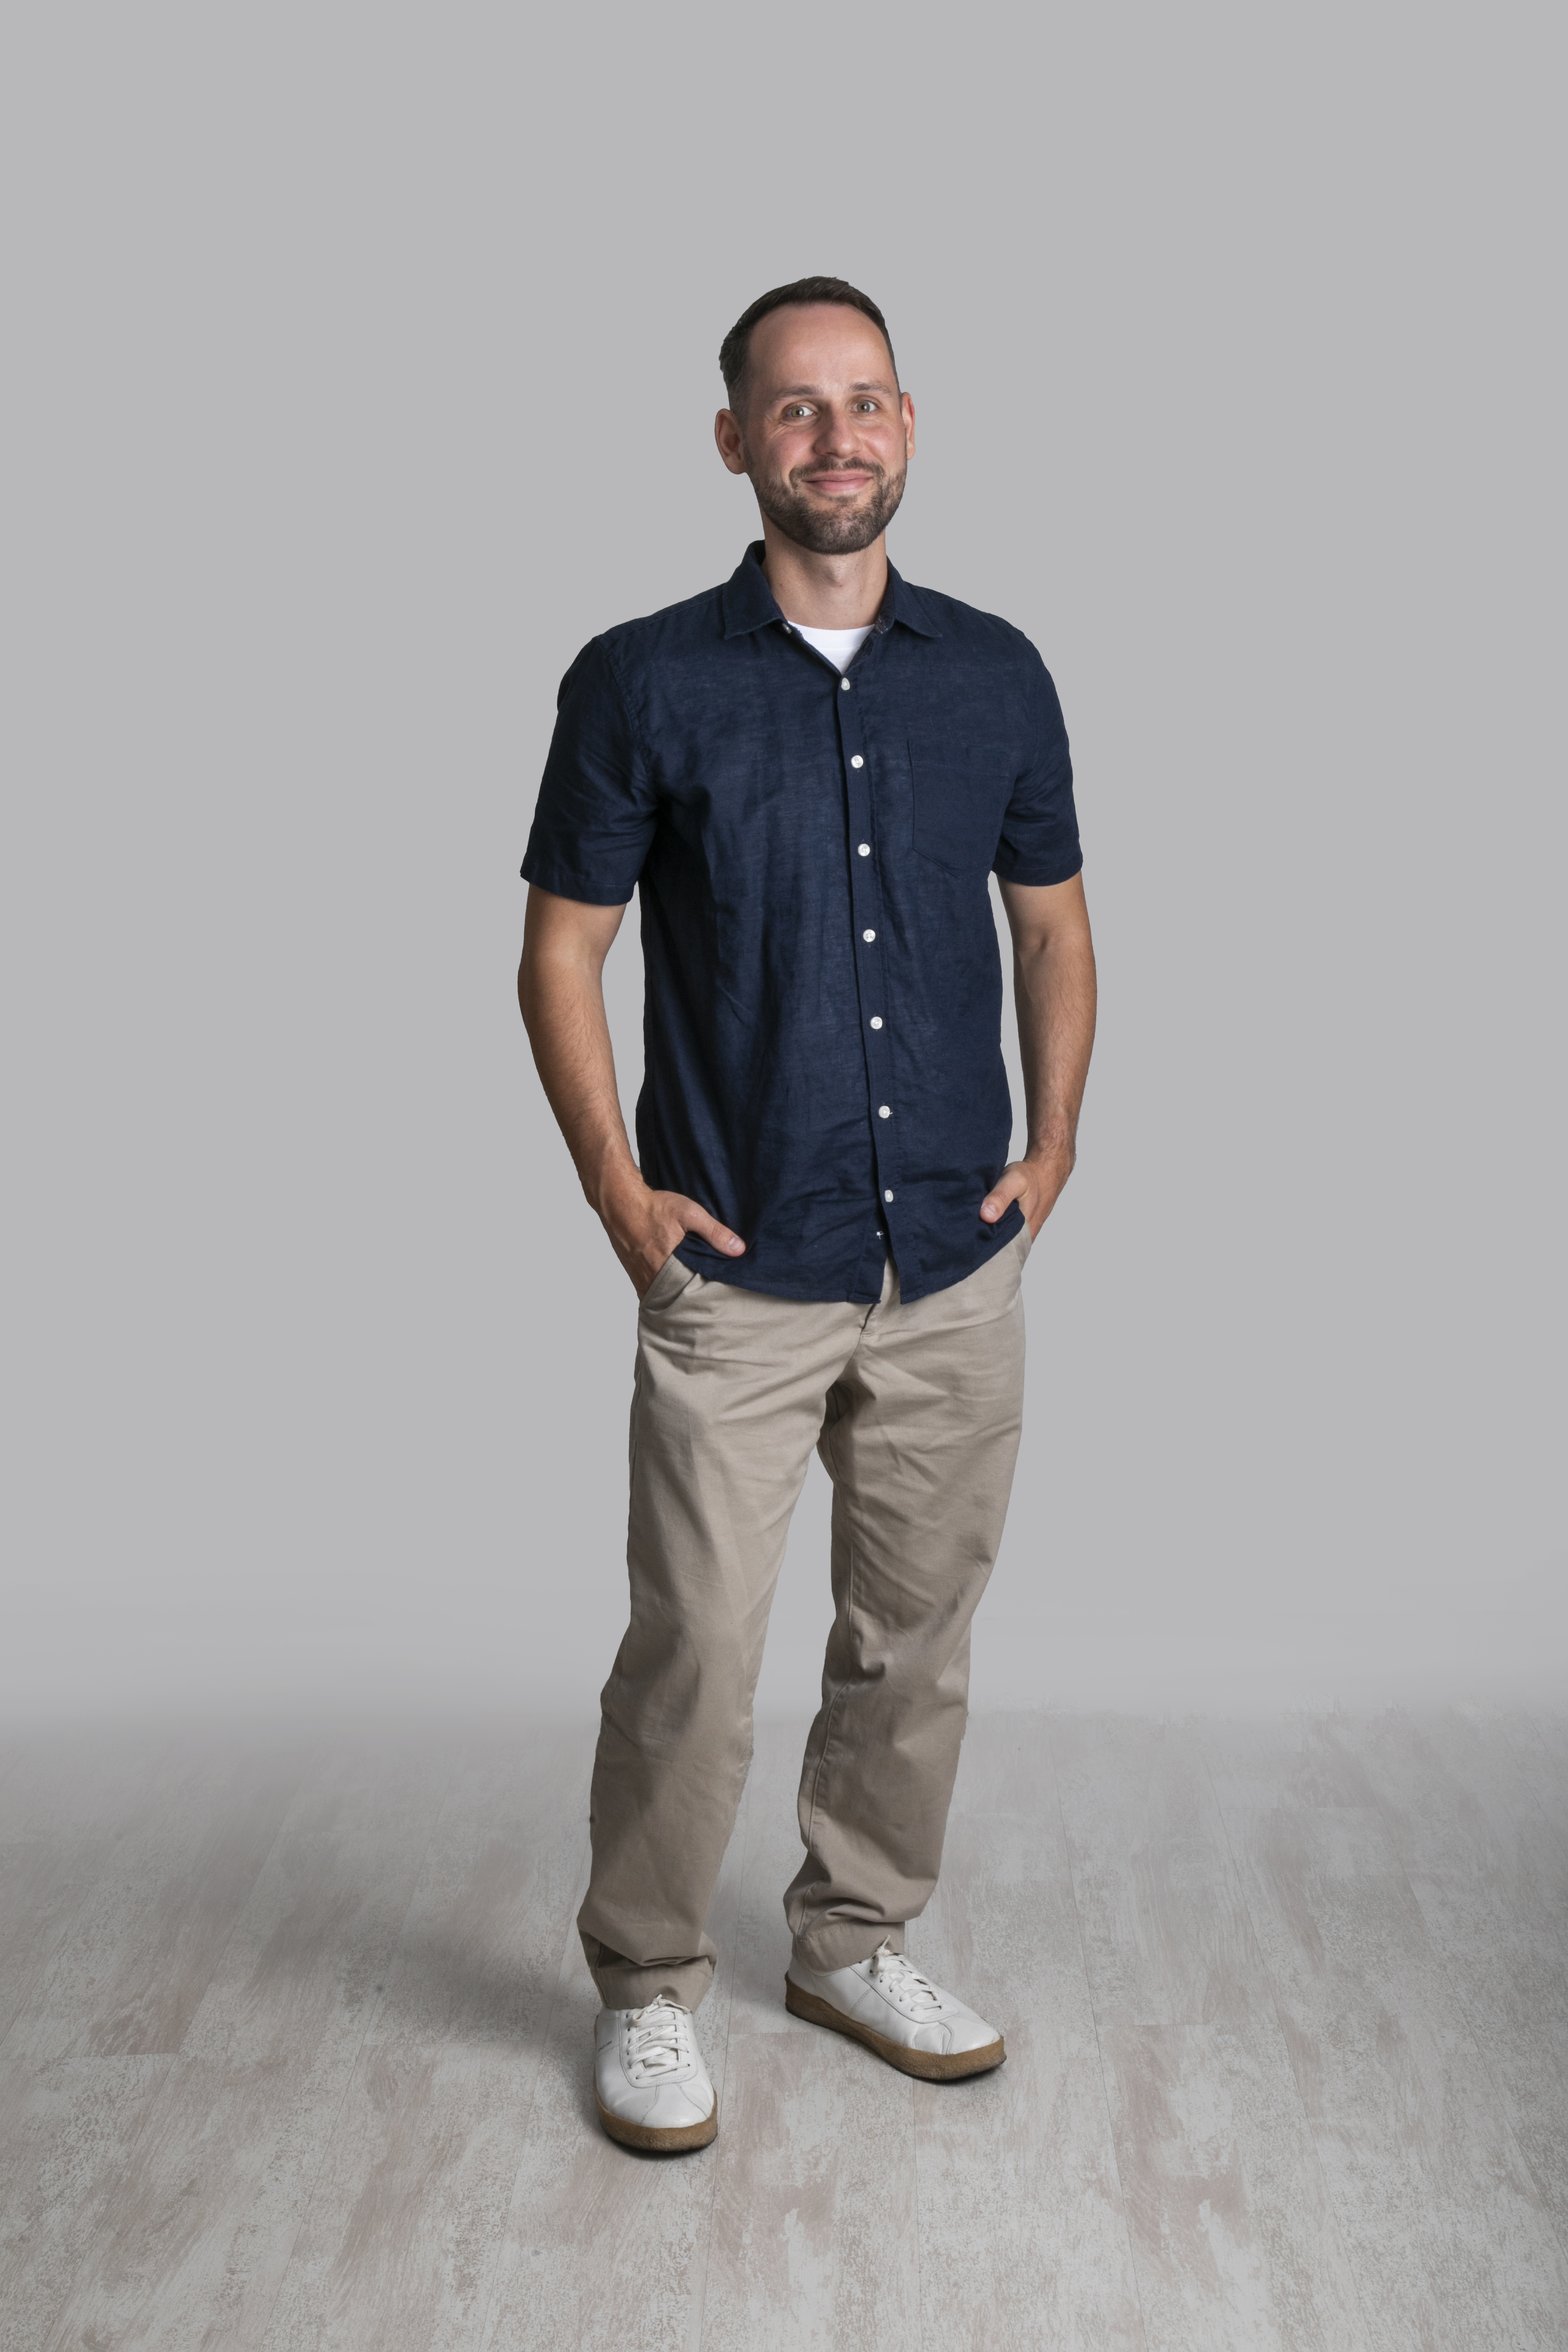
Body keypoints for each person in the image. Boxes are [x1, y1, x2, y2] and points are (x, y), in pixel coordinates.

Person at [517, 276, 1097, 2154]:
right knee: (694, 1648)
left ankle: (853, 1941)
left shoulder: (998, 674)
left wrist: (1054, 1147)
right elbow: (561, 950)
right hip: (741, 1267)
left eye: (864, 402)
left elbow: (1054, 931)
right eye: (794, 406)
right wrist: (618, 1195)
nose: (834, 437)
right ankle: (647, 1985)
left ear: (908, 428)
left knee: (914, 1642)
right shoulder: (640, 680)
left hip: (953, 1260)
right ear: (735, 441)